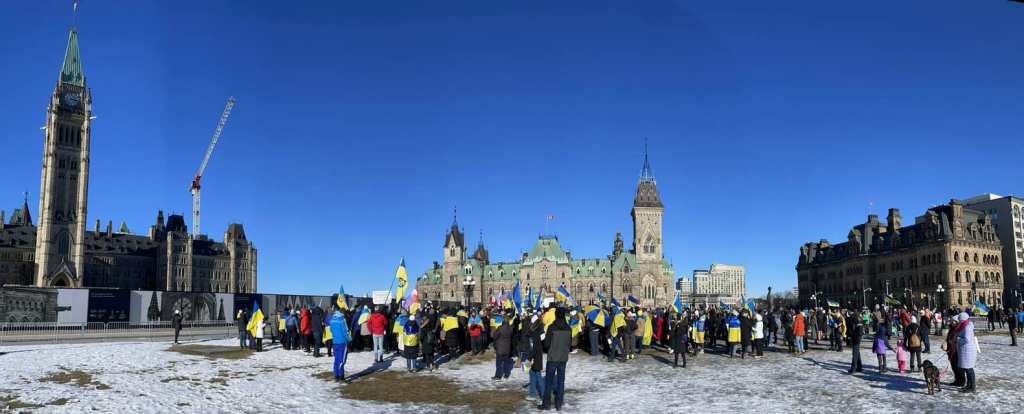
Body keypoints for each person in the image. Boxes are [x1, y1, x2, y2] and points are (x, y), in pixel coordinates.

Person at [539, 308, 571, 412]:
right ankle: (559, 404)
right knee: (561, 382)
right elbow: (570, 344)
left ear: (556, 315)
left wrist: (547, 346)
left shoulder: (551, 327)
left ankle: (546, 404)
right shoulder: (568, 328)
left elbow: (546, 344)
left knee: (549, 381)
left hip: (552, 357)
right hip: (563, 358)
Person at [327, 304, 351, 382]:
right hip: (342, 342)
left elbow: (331, 330)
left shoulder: (332, 320)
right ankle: (341, 377)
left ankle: (336, 375)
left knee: (337, 359)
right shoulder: (341, 320)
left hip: (335, 342)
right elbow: (345, 332)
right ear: (343, 313)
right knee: (342, 360)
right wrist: (349, 339)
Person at [956, 312, 977, 392]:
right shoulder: (964, 325)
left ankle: (972, 387)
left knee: (969, 369)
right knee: (966, 369)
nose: (959, 321)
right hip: (965, 351)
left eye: (960, 320)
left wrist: (958, 339)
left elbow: (967, 339)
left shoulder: (967, 327)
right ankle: (968, 385)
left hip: (968, 351)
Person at [943, 314, 966, 387]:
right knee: (954, 367)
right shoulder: (951, 328)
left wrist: (952, 342)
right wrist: (945, 343)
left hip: (956, 350)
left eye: (953, 321)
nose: (952, 322)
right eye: (951, 321)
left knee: (958, 367)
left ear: (957, 322)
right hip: (950, 350)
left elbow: (958, 339)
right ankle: (957, 380)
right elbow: (949, 338)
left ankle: (962, 381)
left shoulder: (958, 329)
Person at [528, 313, 545, 401]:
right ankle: (533, 394)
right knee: (533, 374)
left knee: (538, 377)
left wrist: (530, 359)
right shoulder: (539, 330)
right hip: (538, 356)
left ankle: (542, 396)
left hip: (535, 357)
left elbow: (533, 348)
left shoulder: (534, 333)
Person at [492, 314, 513, 381]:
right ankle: (506, 375)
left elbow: (495, 336)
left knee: (499, 363)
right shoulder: (510, 328)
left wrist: (495, 346)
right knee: (506, 362)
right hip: (507, 348)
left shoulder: (500, 328)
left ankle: (498, 376)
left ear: (503, 321)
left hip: (500, 348)